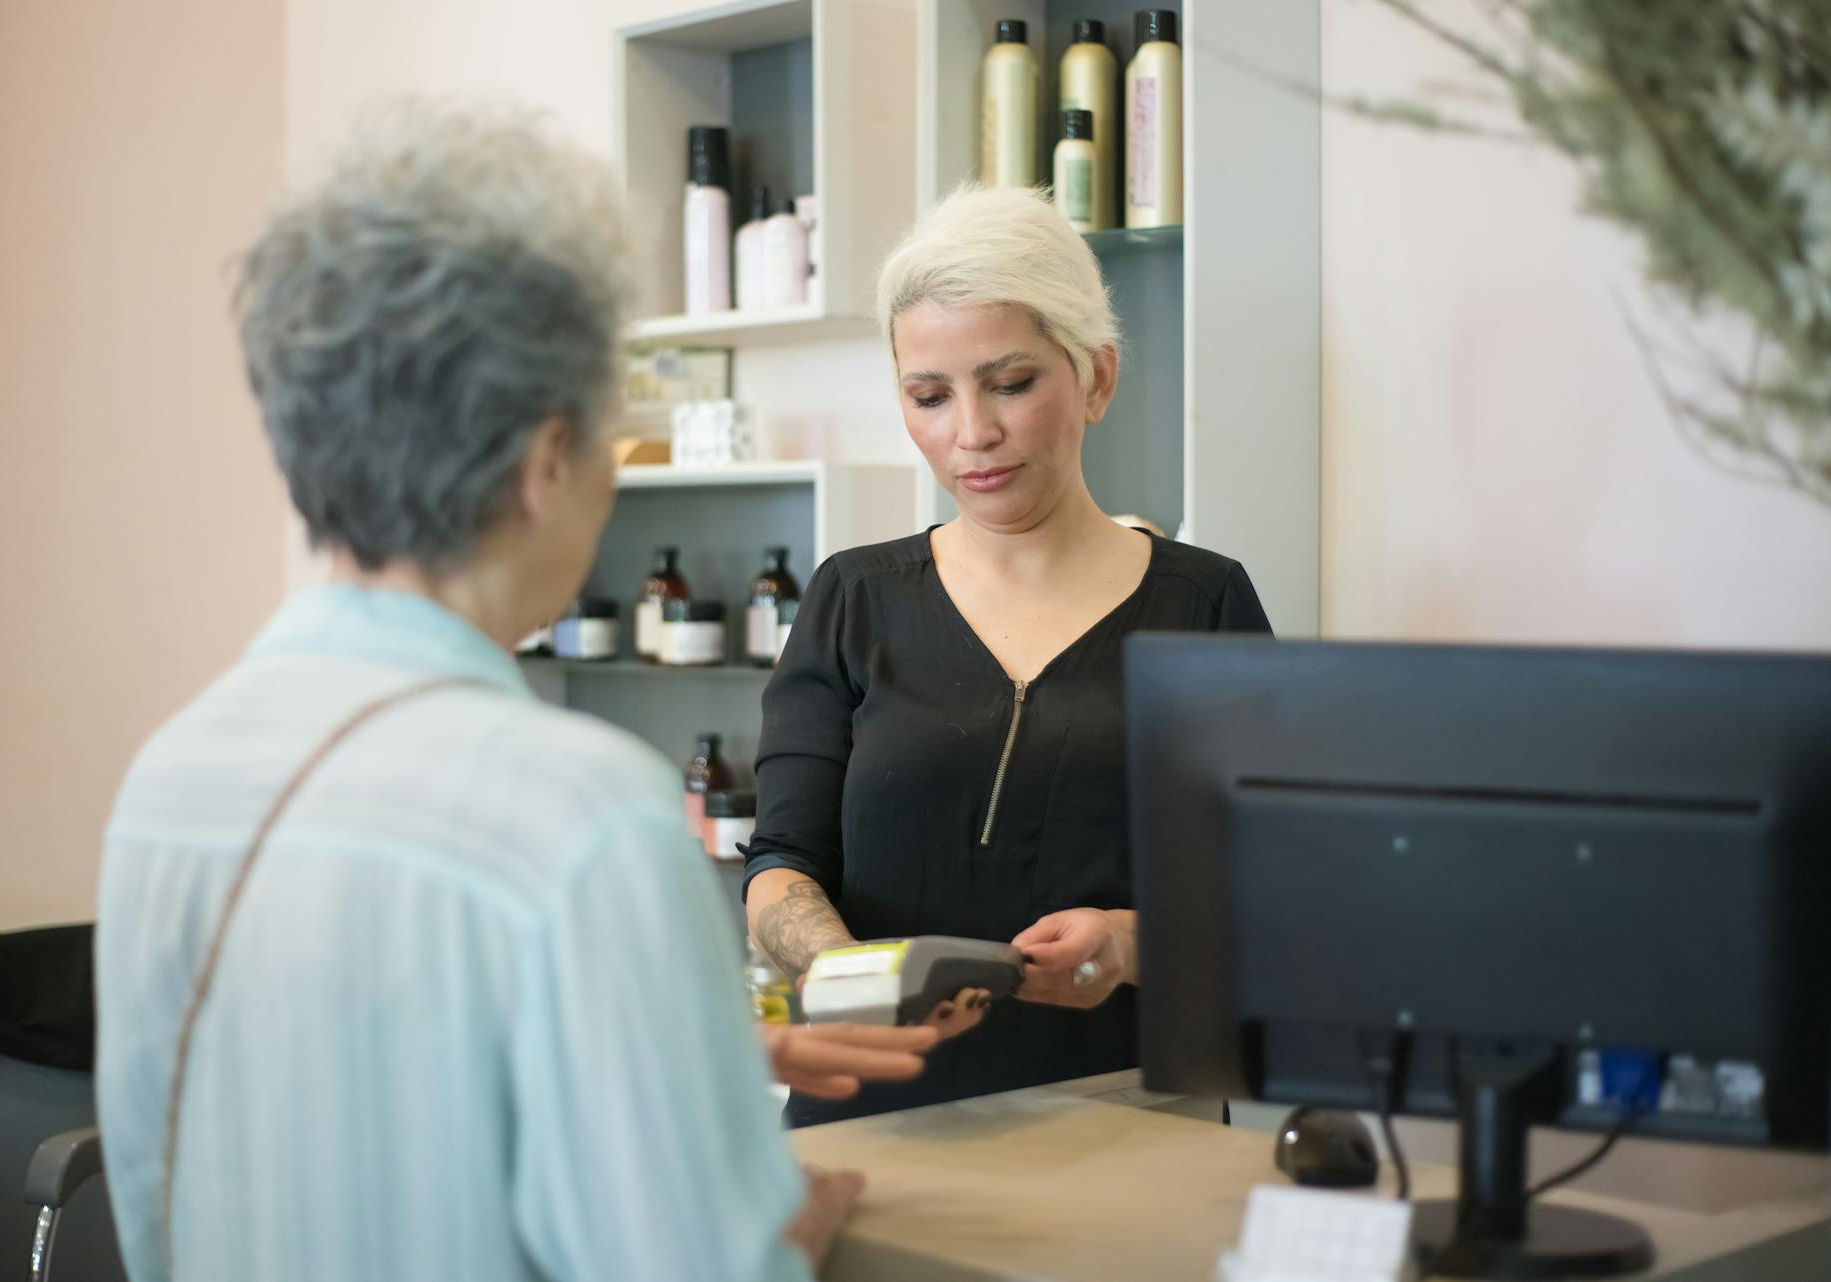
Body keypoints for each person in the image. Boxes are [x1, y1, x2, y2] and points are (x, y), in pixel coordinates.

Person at [94, 105, 938, 1282]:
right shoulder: (578, 816)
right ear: (546, 464)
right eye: (610, 441)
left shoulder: (171, 779)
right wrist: (793, 1217)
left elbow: (207, 1175)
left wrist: (683, 1058)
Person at [743, 184, 1274, 1127]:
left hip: (1127, 1124)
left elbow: (1267, 894)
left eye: (1012, 383)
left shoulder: (1204, 604)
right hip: (878, 1122)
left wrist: (1126, 944)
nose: (971, 435)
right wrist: (843, 970)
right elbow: (783, 865)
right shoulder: (852, 599)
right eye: (929, 396)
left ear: (1097, 379)